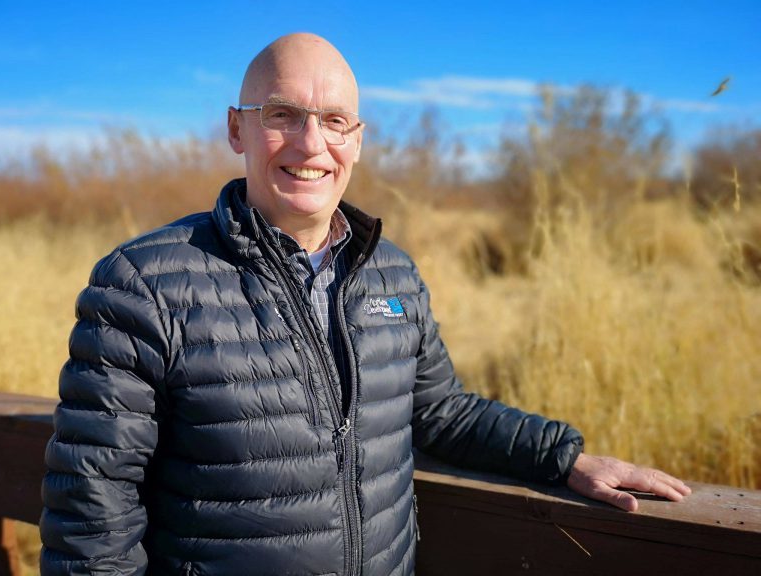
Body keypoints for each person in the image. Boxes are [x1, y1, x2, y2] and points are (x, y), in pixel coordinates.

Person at [40, 32, 691, 576]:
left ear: (357, 138)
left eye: (334, 122)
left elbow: (439, 411)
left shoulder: (393, 275)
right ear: (237, 128)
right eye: (282, 115)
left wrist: (563, 458)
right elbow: (93, 506)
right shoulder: (144, 283)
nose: (310, 144)